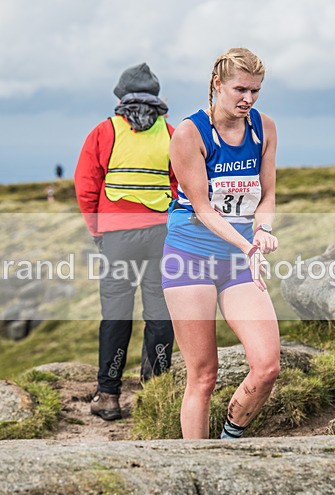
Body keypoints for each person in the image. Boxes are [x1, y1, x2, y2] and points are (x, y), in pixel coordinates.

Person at [163, 48, 280, 440]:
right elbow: (203, 209)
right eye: (240, 89)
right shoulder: (189, 133)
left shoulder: (264, 129)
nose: (248, 99)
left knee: (267, 367)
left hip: (238, 259)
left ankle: (230, 437)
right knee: (203, 375)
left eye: (256, 91)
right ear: (218, 84)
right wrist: (247, 244)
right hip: (190, 256)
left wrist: (261, 231)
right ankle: (196, 466)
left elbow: (266, 196)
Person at [74, 63, 176, 421]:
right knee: (161, 315)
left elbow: (86, 186)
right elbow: (183, 186)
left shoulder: (105, 132)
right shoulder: (173, 134)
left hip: (117, 237)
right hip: (162, 236)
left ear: (120, 96)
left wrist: (97, 230)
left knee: (115, 315)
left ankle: (108, 395)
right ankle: (156, 393)